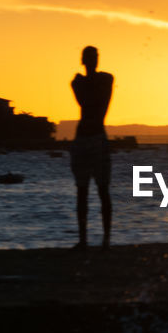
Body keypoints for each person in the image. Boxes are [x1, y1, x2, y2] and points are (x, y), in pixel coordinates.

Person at [70, 46, 114, 249]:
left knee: (102, 189)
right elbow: (84, 101)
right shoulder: (78, 83)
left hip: (96, 136)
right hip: (83, 138)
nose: (92, 61)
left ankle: (105, 239)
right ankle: (83, 239)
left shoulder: (105, 80)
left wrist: (83, 82)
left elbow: (95, 101)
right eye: (89, 58)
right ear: (84, 60)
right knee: (82, 190)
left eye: (94, 57)